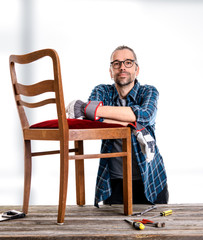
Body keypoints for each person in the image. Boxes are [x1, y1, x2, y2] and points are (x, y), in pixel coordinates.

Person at [66, 45, 168, 207]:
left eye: (128, 62)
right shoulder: (101, 91)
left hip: (151, 180)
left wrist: (96, 111)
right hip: (113, 182)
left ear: (137, 69)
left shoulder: (149, 92)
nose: (122, 67)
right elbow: (91, 121)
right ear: (111, 71)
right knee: (114, 230)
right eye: (116, 63)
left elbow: (145, 115)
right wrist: (132, 123)